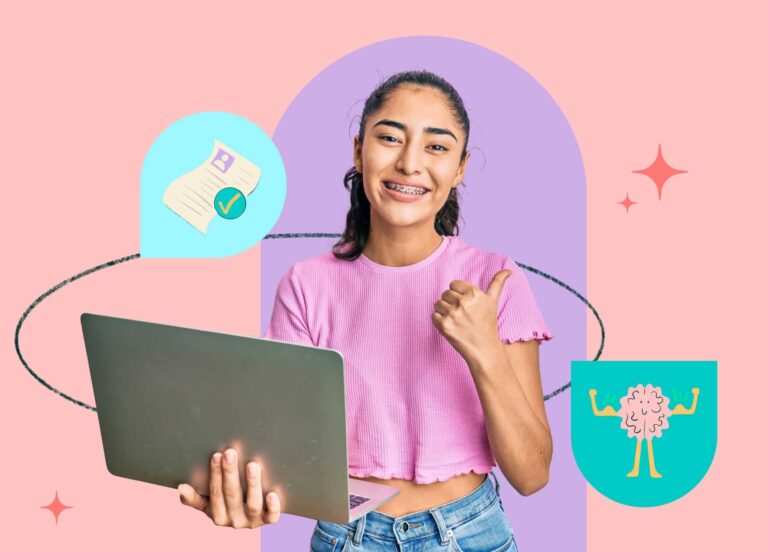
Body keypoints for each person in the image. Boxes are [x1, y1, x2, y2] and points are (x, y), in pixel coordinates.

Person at [178, 70, 553, 551]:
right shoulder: (306, 285)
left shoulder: (495, 281)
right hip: (347, 536)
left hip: (470, 533)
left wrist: (486, 353)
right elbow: (279, 448)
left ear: (460, 168)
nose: (410, 163)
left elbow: (532, 474)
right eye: (390, 138)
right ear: (359, 151)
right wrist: (241, 491)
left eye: (437, 147)